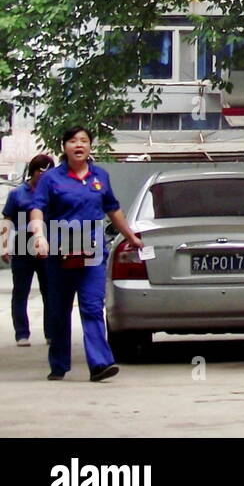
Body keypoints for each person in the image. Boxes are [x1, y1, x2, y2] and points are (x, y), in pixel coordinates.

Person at [28, 127, 144, 382]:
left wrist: (131, 237)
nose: (78, 145)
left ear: (90, 146)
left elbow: (113, 209)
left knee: (92, 306)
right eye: (72, 141)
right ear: (64, 147)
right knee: (59, 310)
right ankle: (58, 364)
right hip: (60, 250)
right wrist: (38, 236)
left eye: (84, 141)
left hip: (92, 249)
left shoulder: (99, 175)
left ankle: (100, 363)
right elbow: (37, 209)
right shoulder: (51, 179)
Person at [1, 154, 56, 345]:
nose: (43, 176)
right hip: (23, 245)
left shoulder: (53, 193)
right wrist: (4, 244)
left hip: (47, 245)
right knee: (21, 291)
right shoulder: (17, 194)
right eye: (40, 172)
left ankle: (51, 332)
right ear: (33, 171)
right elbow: (7, 219)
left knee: (49, 290)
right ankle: (22, 333)